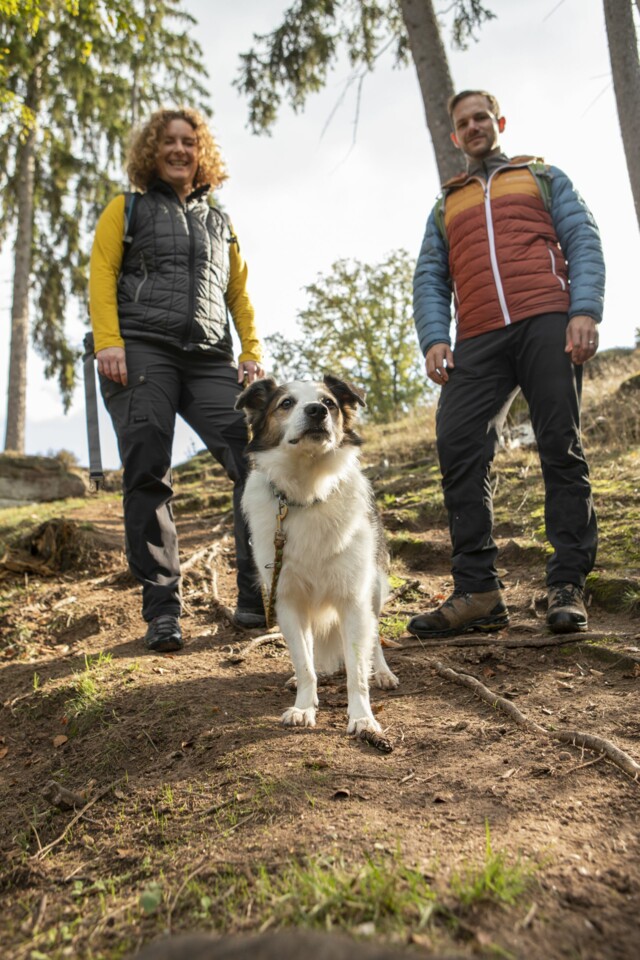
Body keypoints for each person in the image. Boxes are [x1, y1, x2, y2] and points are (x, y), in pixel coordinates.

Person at [409, 90, 605, 639]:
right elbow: (430, 276)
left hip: (547, 318)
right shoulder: (446, 203)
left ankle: (567, 584)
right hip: (478, 337)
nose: (473, 127)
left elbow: (582, 240)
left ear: (498, 123)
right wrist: (433, 338)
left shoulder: (541, 177)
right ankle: (478, 591)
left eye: (480, 118)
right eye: (462, 123)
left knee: (559, 444)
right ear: (454, 136)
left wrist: (583, 309)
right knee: (457, 443)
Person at [89, 106, 267, 652]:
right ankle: (162, 610)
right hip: (142, 347)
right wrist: (109, 342)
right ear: (153, 150)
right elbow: (101, 273)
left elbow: (237, 293)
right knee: (148, 468)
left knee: (256, 458)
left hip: (210, 356)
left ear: (201, 151)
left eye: (189, 141)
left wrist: (251, 350)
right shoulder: (128, 209)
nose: (180, 150)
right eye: (168, 141)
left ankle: (256, 592)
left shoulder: (220, 221)